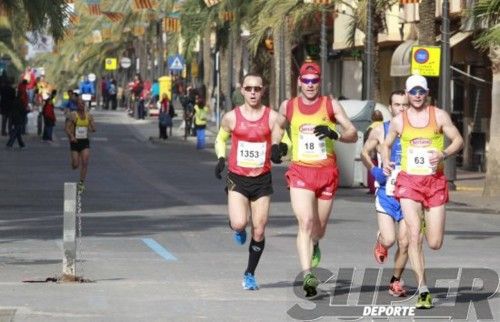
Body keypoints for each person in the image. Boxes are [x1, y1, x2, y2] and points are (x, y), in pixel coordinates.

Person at [271, 62, 358, 297]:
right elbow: (278, 127)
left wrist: (335, 133)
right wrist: (276, 146)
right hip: (300, 171)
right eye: (306, 80)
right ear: (299, 81)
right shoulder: (288, 105)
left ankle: (316, 243)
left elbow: (353, 133)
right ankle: (308, 275)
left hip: (327, 173)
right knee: (306, 223)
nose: (310, 85)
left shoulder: (330, 105)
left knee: (318, 229)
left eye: (314, 80)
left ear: (320, 82)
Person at [382, 75, 463, 309]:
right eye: (413, 91)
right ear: (407, 94)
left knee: (435, 242)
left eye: (421, 91)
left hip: (434, 182)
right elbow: (386, 144)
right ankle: (423, 290)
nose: (417, 95)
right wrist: (386, 160)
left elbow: (458, 139)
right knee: (414, 234)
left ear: (426, 93)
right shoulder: (399, 121)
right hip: (409, 182)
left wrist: (444, 154)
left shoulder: (438, 115)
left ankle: (426, 220)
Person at [213, 73, 279, 290]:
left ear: (263, 90)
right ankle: (237, 227)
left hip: (262, 179)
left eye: (257, 89)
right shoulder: (231, 117)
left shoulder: (271, 117)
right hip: (238, 178)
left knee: (259, 229)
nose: (252, 92)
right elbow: (221, 139)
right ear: (242, 90)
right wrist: (221, 157)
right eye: (248, 88)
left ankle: (249, 273)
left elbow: (283, 136)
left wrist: (281, 147)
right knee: (240, 223)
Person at [360, 90, 410, 297]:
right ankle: (381, 240)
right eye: (397, 104)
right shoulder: (381, 130)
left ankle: (395, 281)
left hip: (410, 194)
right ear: (390, 107)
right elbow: (364, 152)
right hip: (387, 193)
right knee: (390, 240)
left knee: (405, 241)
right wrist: (374, 170)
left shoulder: (418, 130)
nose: (401, 108)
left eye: (405, 105)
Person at [65, 99, 96, 193]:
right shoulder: (73, 115)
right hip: (75, 141)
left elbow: (93, 127)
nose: (82, 106)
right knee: (75, 165)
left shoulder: (89, 116)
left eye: (83, 104)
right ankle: (74, 162)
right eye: (79, 104)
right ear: (77, 106)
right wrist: (71, 136)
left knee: (85, 162)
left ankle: (81, 184)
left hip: (84, 142)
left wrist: (92, 128)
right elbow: (66, 128)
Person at [365, 110, 385, 194]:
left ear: (372, 117)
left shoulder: (370, 127)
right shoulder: (385, 125)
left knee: (372, 169)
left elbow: (366, 141)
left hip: (373, 153)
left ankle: (372, 189)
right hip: (383, 152)